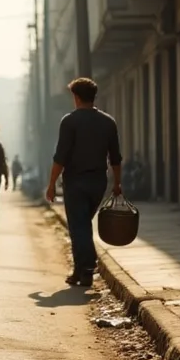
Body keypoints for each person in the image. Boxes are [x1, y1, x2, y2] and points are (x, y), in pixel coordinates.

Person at [46, 77, 122, 288]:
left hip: (75, 182)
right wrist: (117, 183)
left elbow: (60, 157)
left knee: (78, 225)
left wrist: (51, 184)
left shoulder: (69, 121)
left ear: (76, 97)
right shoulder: (108, 122)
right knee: (82, 224)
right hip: (98, 182)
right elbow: (115, 157)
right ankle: (79, 271)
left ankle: (87, 268)